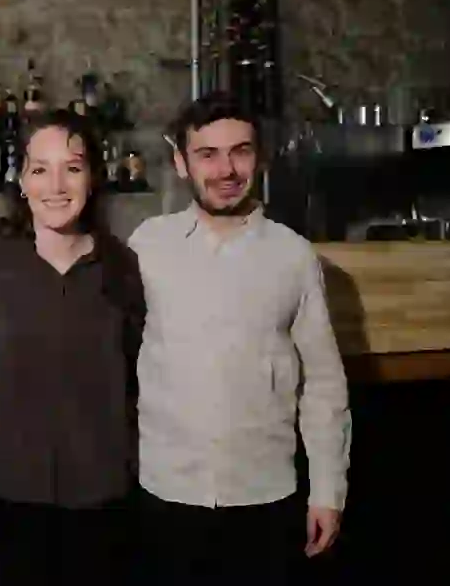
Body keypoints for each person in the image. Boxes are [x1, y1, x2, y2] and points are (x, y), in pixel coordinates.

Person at [128, 91, 352, 584]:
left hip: (265, 497)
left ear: (260, 157)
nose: (226, 170)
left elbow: (323, 384)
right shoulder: (146, 246)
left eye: (241, 151)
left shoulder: (294, 256)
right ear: (182, 163)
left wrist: (327, 492)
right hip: (164, 494)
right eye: (207, 154)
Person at [0, 109, 145, 585]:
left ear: (93, 177)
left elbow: (140, 380)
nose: (56, 185)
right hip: (7, 495)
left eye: (73, 167)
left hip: (103, 498)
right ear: (21, 180)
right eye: (40, 169)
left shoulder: (122, 268)